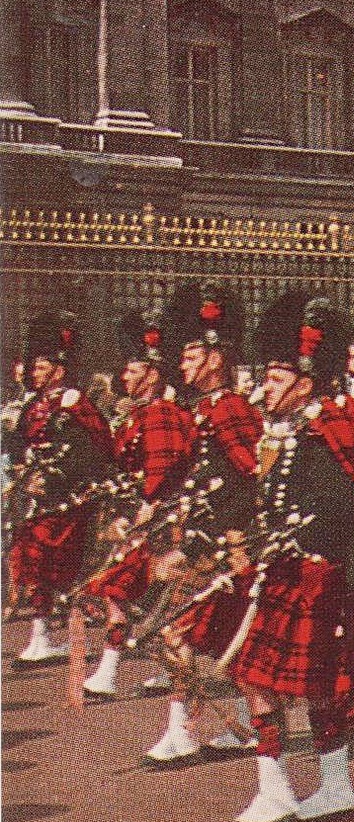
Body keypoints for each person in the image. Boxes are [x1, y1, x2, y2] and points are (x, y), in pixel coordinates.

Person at [227, 291, 354, 822]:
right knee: (315, 684)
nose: (262, 390)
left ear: (303, 383)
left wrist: (343, 581)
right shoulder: (285, 429)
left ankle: (276, 792)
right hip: (289, 571)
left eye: (274, 380)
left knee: (256, 677)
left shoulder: (334, 424)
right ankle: (336, 786)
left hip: (317, 575)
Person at [141, 285, 265, 765]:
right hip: (205, 539)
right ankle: (239, 726)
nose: (183, 362)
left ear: (216, 359)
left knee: (178, 635)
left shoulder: (229, 408)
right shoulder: (201, 409)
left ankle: (183, 731)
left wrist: (211, 540)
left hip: (227, 544)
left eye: (192, 354)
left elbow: (252, 478)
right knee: (215, 639)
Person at [80, 305, 197, 701]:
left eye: (132, 371)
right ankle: (141, 669)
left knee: (128, 593)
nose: (124, 377)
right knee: (134, 597)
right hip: (138, 517)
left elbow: (162, 467)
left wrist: (146, 507)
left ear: (152, 374)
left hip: (159, 522)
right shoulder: (141, 413)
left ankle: (111, 671)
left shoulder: (161, 412)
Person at [6, 312, 114, 666]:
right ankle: (41, 635)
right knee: (30, 561)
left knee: (48, 562)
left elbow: (92, 449)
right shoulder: (35, 404)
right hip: (34, 495)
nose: (33, 374)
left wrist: (51, 480)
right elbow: (21, 442)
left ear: (58, 368)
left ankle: (58, 634)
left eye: (40, 368)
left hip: (65, 497)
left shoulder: (74, 403)